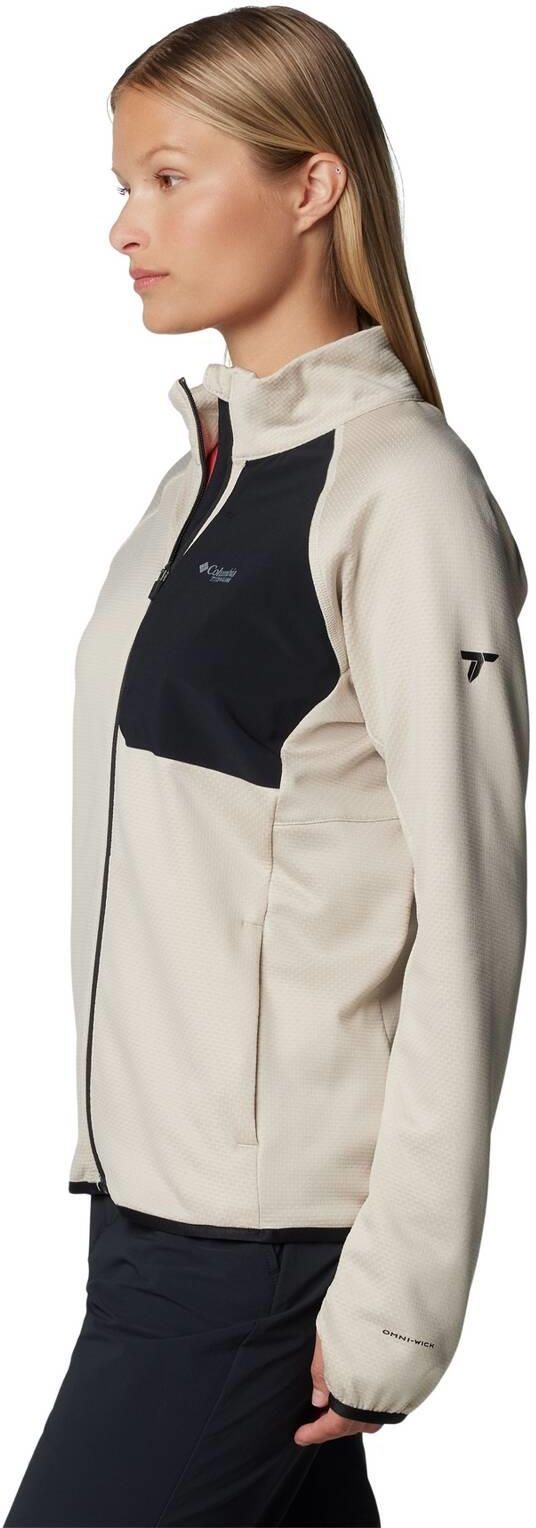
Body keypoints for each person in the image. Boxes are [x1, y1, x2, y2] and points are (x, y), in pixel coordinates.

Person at [3, 7, 529, 1527]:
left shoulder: (401, 492)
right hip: (151, 1214)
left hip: (256, 1252)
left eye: (169, 179)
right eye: (123, 186)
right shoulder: (199, 481)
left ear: (312, 186)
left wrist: (402, 1300)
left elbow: (473, 914)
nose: (124, 228)